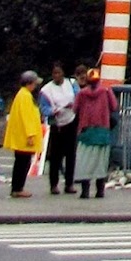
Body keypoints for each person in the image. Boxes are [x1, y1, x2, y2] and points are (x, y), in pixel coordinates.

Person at [72, 67, 119, 200]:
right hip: (102, 130)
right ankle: (100, 191)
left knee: (84, 161)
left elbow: (75, 109)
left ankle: (85, 191)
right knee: (101, 162)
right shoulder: (106, 90)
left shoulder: (82, 93)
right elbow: (114, 106)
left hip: (86, 131)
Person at [38, 62, 79, 195]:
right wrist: (53, 111)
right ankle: (53, 184)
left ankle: (69, 183)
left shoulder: (71, 83)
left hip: (71, 120)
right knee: (55, 156)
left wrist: (73, 105)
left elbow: (78, 97)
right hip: (57, 124)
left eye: (59, 73)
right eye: (54, 73)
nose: (57, 75)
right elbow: (43, 108)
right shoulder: (46, 90)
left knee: (71, 154)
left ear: (63, 74)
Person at [2, 72, 44, 198]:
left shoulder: (22, 95)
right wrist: (30, 135)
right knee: (23, 163)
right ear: (29, 83)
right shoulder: (25, 96)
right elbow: (27, 117)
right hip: (24, 137)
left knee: (20, 162)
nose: (35, 86)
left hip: (21, 136)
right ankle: (18, 188)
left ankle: (17, 188)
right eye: (34, 83)